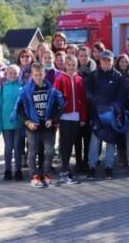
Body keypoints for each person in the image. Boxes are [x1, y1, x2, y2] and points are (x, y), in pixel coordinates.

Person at [13, 62, 64, 188]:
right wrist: (27, 122)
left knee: (50, 151)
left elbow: (58, 106)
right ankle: (34, 176)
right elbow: (19, 109)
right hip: (32, 126)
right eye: (35, 75)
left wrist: (52, 119)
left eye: (40, 74)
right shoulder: (26, 90)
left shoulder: (50, 89)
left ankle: (46, 174)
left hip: (46, 126)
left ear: (44, 74)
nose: (38, 77)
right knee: (32, 151)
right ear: (32, 75)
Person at [86, 50, 124, 179]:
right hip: (96, 114)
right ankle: (91, 166)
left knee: (111, 141)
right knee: (95, 141)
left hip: (111, 114)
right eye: (104, 60)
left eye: (109, 60)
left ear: (113, 61)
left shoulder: (118, 76)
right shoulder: (93, 76)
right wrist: (98, 104)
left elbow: (121, 95)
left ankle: (109, 167)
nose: (106, 62)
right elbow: (88, 93)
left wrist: (114, 107)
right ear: (100, 61)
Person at [53, 55, 87, 185]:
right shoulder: (60, 79)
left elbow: (83, 99)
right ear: (65, 65)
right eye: (69, 65)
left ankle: (66, 168)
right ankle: (64, 170)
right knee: (64, 143)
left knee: (71, 142)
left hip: (75, 116)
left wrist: (83, 117)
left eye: (73, 65)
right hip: (64, 116)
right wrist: (56, 118)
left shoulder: (79, 79)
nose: (71, 67)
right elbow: (55, 99)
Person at [0, 64, 24, 181]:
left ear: (19, 74)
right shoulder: (1, 89)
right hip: (6, 124)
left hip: (19, 123)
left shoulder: (22, 87)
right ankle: (7, 170)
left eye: (15, 73)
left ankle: (18, 170)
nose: (13, 75)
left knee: (17, 147)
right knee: (8, 147)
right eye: (10, 73)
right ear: (6, 74)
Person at [75, 46, 96, 173]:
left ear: (89, 56)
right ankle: (78, 162)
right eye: (81, 55)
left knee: (88, 137)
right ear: (78, 56)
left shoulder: (94, 72)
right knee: (77, 137)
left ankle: (86, 161)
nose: (83, 58)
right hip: (76, 109)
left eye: (85, 55)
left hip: (89, 108)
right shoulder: (74, 69)